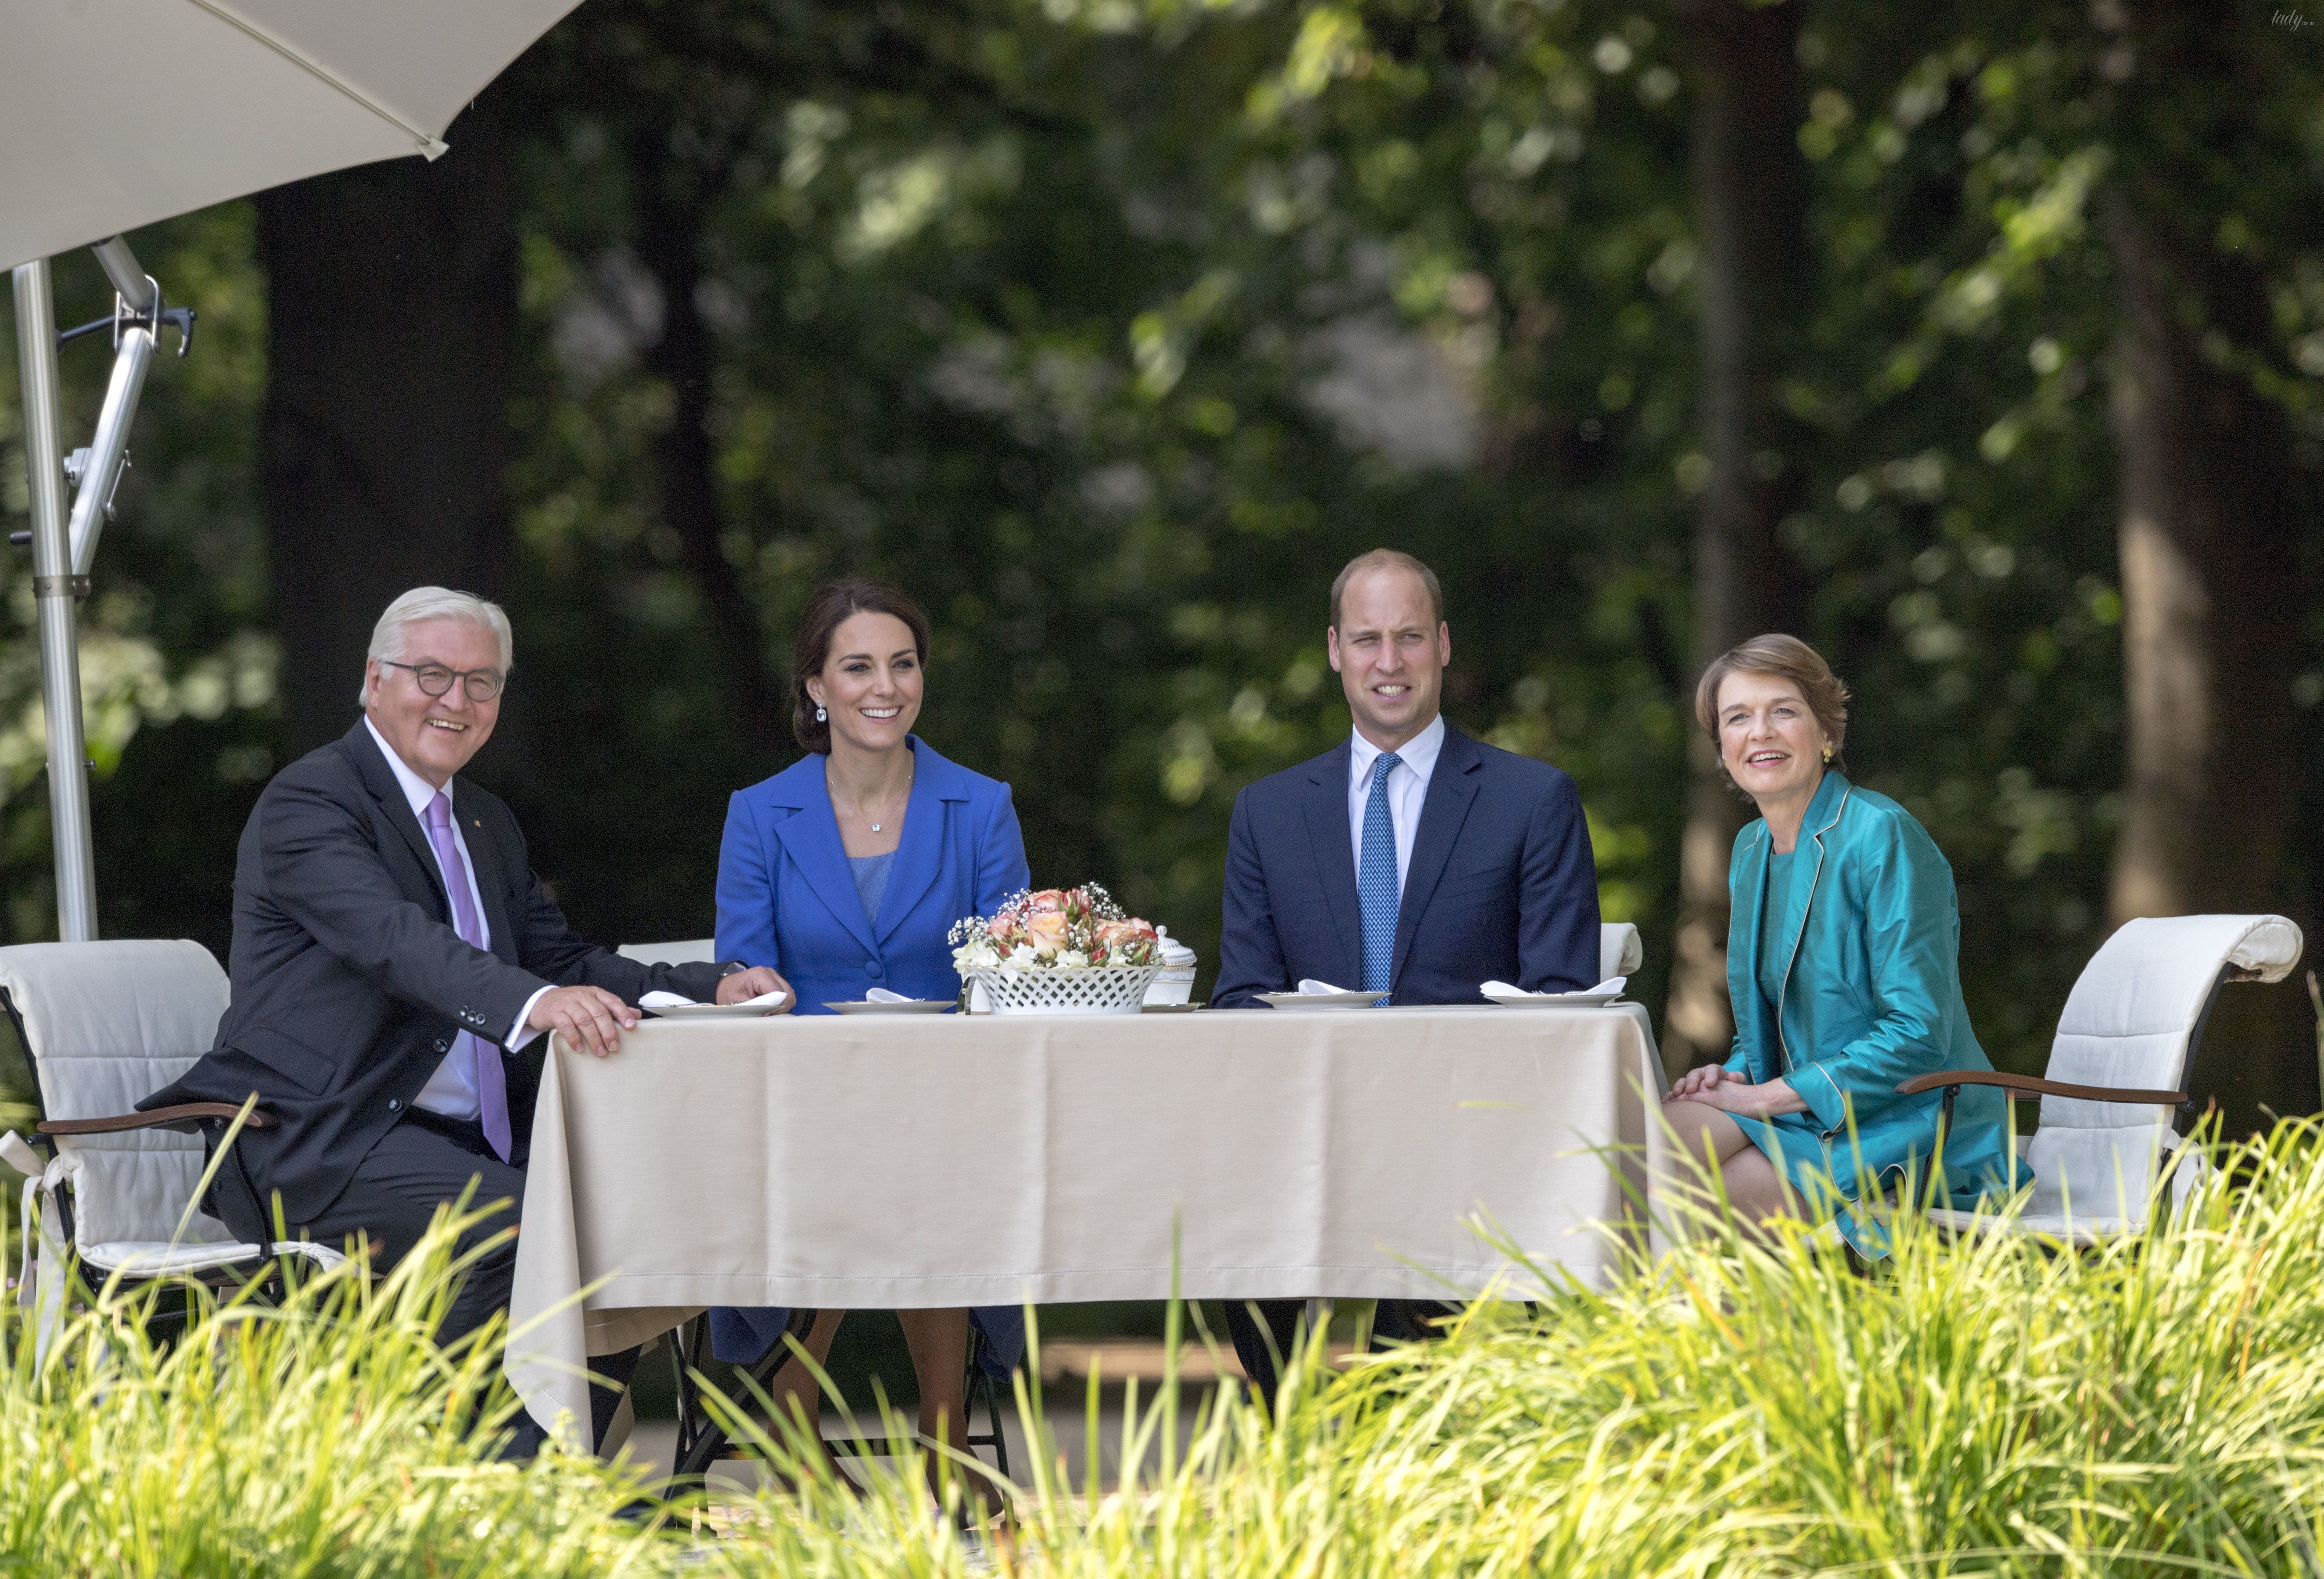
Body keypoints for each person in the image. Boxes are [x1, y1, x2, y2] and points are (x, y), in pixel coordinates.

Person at [139, 587, 790, 1457]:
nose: (457, 698)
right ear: (375, 680)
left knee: (639, 1222)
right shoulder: (311, 803)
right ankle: (476, 1482)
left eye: (482, 681)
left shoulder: (483, 819)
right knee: (529, 1230)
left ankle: (537, 1473)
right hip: (321, 1137)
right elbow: (396, 942)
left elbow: (561, 959)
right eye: (432, 674)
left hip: (466, 1143)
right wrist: (530, 1004)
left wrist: (706, 986)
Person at [1209, 548, 1600, 1403]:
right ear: (1334, 650)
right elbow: (1239, 999)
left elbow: (1563, 1004)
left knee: (1412, 1327)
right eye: (1367, 639)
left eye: (1409, 637)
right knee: (1222, 1206)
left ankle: (1394, 1436)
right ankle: (1288, 1432)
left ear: (1443, 645)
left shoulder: (1531, 800)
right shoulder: (1267, 812)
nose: (1389, 661)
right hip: (1308, 1135)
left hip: (1466, 1136)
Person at [712, 578, 1028, 1482]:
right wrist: (745, 986)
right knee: (833, 1166)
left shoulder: (983, 806)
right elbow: (744, 969)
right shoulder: (758, 812)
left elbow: (1012, 968)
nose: (884, 686)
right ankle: (794, 1427)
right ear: (816, 685)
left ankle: (945, 1439)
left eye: (902, 663)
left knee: (930, 1162)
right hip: (801, 1103)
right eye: (857, 667)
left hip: (950, 1098)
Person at [1661, 634, 2020, 1241]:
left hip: (1907, 1120)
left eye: (1783, 711)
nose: (1760, 732)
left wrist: (1767, 1097)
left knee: (1697, 1201)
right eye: (1738, 717)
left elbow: (1919, 1031)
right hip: (1801, 1111)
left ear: (1826, 730)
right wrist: (1735, 1077)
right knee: (1636, 1149)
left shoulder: (1882, 834)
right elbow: (1777, 1022)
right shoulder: (1751, 850)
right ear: (1722, 747)